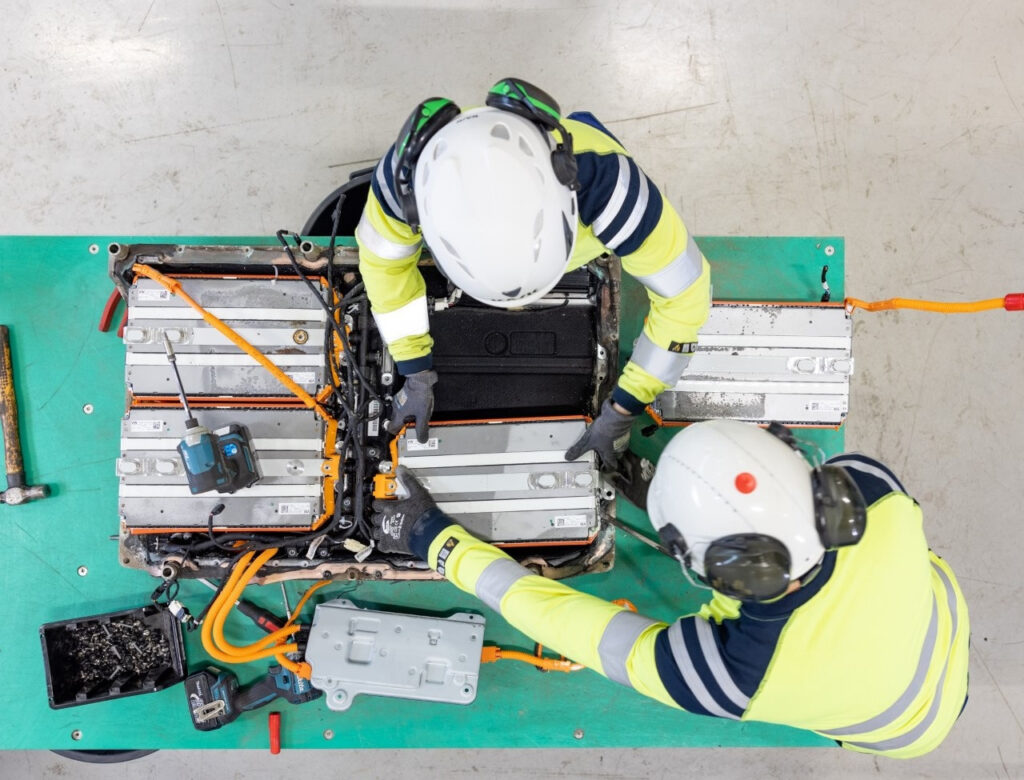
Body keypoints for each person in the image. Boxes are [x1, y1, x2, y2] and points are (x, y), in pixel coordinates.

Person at [369, 419, 969, 759]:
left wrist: (433, 539)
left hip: (904, 728)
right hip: (942, 623)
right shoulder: (871, 489)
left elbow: (554, 618)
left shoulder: (732, 676)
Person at [355, 78, 711, 462]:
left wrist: (626, 405)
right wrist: (414, 368)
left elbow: (685, 296)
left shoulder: (612, 189)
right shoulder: (402, 184)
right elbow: (385, 269)